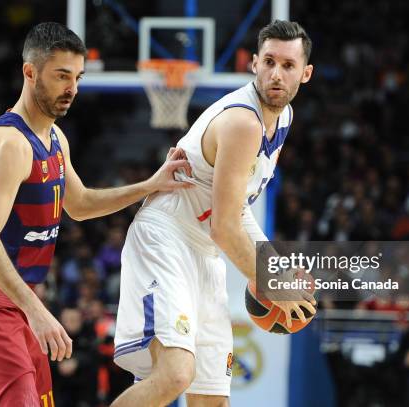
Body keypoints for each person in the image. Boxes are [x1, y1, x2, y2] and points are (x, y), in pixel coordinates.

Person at [0, 22, 192, 407]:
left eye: (77, 77)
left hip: (20, 294)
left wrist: (149, 185)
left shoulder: (56, 139)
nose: (72, 89)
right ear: (30, 72)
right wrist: (37, 312)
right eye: (62, 76)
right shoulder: (9, 144)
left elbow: (78, 204)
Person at [113, 20, 316, 407]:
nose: (276, 73)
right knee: (175, 374)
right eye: (269, 61)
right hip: (166, 237)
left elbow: (236, 212)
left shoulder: (283, 120)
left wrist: (275, 269)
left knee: (212, 399)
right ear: (253, 64)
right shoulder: (243, 121)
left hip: (203, 250)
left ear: (305, 74)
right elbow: (226, 228)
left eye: (288, 66)